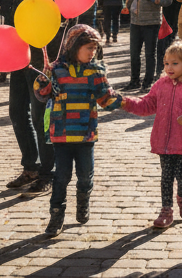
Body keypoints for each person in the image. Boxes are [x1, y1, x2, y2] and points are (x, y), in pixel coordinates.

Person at [32, 24, 122, 237]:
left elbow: (104, 99)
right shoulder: (56, 69)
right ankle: (56, 215)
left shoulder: (96, 71)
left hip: (85, 134)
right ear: (73, 46)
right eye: (88, 48)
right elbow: (42, 94)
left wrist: (121, 101)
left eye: (94, 48)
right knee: (61, 177)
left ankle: (83, 201)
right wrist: (43, 80)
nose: (92, 53)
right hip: (61, 135)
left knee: (85, 175)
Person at [123, 39, 182, 227]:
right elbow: (147, 104)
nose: (169, 67)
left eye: (174, 63)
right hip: (163, 140)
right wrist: (127, 103)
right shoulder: (161, 84)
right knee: (166, 176)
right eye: (166, 63)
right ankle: (166, 210)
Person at [7, 0, 66, 199]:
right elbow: (15, 15)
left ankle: (47, 173)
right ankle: (30, 166)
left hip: (45, 61)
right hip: (20, 55)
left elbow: (67, 24)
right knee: (16, 112)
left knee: (40, 117)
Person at [125, 0, 173, 93]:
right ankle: (134, 81)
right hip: (136, 20)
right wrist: (130, 4)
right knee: (134, 53)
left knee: (149, 53)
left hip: (151, 21)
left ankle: (147, 82)